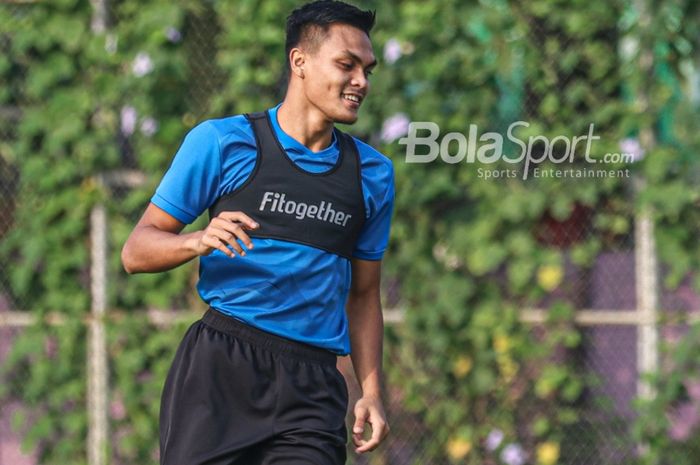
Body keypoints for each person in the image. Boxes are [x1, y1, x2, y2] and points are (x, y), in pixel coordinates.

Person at [121, 1, 394, 464]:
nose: (361, 82)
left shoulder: (373, 174)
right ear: (299, 62)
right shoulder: (222, 142)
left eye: (367, 69)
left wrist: (370, 390)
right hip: (219, 372)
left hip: (313, 390)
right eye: (346, 65)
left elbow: (364, 294)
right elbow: (135, 251)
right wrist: (195, 240)